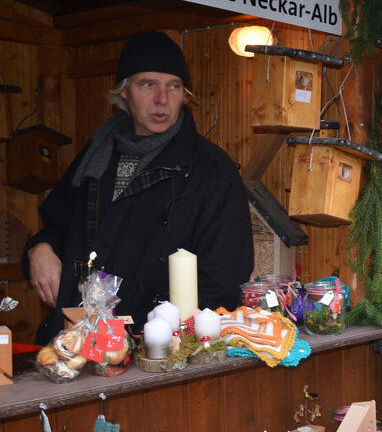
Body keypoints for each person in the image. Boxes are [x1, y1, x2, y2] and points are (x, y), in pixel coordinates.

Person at [23, 31, 253, 343]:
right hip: (76, 340)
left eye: (174, 86)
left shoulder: (210, 171)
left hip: (153, 349)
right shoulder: (96, 155)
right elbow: (60, 225)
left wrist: (162, 343)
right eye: (148, 84)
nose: (162, 99)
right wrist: (40, 248)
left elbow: (224, 279)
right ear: (123, 92)